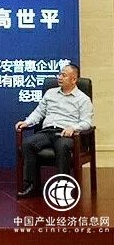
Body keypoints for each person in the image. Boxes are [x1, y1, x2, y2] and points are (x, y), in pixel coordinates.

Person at [15, 63, 93, 198]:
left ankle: (63, 187)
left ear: (74, 79)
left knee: (62, 146)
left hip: (66, 134)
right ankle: (31, 185)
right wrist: (27, 122)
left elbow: (87, 122)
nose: (60, 77)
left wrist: (73, 128)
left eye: (64, 75)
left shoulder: (83, 99)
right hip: (47, 131)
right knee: (28, 143)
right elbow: (39, 112)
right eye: (59, 74)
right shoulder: (50, 93)